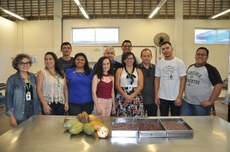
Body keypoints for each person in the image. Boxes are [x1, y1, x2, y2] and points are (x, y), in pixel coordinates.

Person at [181, 47, 223, 116]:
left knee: (200, 125)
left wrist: (210, 101)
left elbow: (219, 85)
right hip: (187, 102)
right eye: (198, 54)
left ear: (207, 57)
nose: (200, 56)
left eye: (203, 55)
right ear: (195, 56)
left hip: (201, 105)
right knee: (185, 124)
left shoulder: (211, 69)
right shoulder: (190, 67)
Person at [5, 54, 41, 127]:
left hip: (33, 111)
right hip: (20, 113)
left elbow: (37, 93)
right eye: (22, 63)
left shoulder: (32, 77)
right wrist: (11, 117)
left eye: (27, 63)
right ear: (17, 65)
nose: (25, 65)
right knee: (22, 136)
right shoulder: (12, 79)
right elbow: (8, 100)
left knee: (33, 134)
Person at [155, 41, 186, 116]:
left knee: (176, 119)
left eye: (167, 48)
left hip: (176, 97)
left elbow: (183, 79)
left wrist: (180, 96)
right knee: (163, 118)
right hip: (162, 97)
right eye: (163, 49)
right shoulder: (159, 63)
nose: (165, 50)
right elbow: (157, 79)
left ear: (172, 49)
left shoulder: (180, 62)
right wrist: (156, 95)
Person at [115, 52, 144, 117]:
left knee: (136, 118)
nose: (129, 60)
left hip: (135, 96)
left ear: (134, 60)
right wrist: (125, 96)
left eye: (131, 58)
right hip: (122, 96)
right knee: (122, 118)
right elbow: (117, 85)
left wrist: (131, 96)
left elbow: (141, 86)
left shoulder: (138, 70)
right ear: (124, 60)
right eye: (127, 59)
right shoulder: (119, 70)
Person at [138, 48, 157, 116]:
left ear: (151, 57)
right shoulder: (136, 68)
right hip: (140, 100)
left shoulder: (156, 68)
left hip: (152, 99)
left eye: (148, 56)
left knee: (153, 122)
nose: (146, 58)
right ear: (141, 57)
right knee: (139, 121)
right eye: (144, 56)